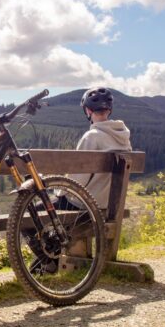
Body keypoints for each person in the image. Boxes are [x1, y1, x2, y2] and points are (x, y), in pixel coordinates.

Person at [27, 86, 132, 273]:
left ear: (88, 111)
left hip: (85, 205)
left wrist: (57, 192)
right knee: (50, 210)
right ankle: (47, 261)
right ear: (109, 110)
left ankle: (49, 262)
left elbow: (76, 181)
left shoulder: (92, 136)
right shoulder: (123, 137)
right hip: (110, 206)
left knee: (28, 215)